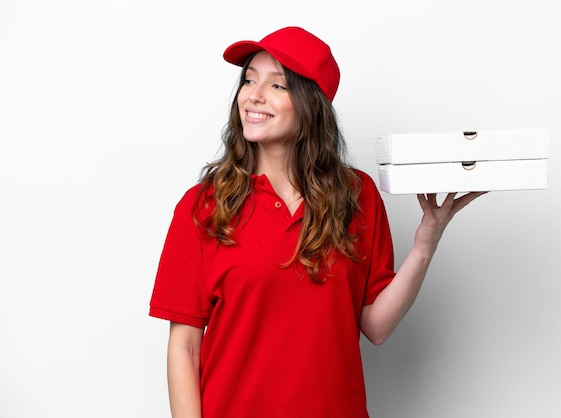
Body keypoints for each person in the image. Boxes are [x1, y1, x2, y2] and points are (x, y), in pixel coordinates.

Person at [149, 26, 484, 418]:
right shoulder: (204, 206)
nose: (253, 96)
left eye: (277, 86)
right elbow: (184, 347)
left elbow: (375, 326)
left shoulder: (357, 196)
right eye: (249, 80)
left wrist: (426, 242)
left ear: (312, 105)